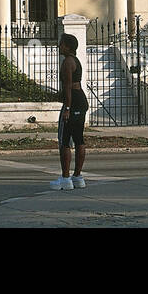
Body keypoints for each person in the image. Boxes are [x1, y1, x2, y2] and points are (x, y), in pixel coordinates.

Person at [50, 33, 89, 191]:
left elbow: (67, 87)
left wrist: (67, 108)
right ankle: (77, 176)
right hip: (81, 101)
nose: (59, 46)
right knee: (79, 139)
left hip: (72, 102)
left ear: (68, 46)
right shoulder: (76, 61)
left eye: (61, 44)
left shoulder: (67, 62)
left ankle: (66, 178)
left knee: (65, 141)